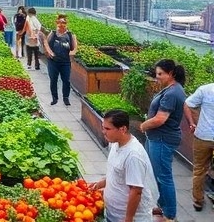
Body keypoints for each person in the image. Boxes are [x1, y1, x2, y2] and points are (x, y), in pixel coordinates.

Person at [139, 59, 186, 222]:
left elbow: (160, 119)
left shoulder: (172, 93)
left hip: (162, 138)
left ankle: (170, 213)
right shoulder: (173, 89)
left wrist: (144, 125)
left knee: (163, 176)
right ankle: (161, 205)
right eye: (156, 73)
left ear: (171, 73)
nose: (157, 77)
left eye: (160, 74)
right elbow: (185, 106)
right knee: (156, 174)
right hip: (157, 137)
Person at [91, 110, 159, 222]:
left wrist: (128, 218)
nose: (103, 131)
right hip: (113, 214)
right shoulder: (115, 143)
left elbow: (136, 190)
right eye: (103, 127)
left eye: (107, 129)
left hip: (128, 218)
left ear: (122, 129)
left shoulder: (133, 155)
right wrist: (103, 182)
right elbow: (118, 172)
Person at [183, 82, 214, 212]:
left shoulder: (205, 89)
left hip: (203, 136)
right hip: (204, 135)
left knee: (199, 170)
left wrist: (192, 122)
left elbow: (188, 104)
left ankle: (198, 201)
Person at [41, 14, 77, 106]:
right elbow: (46, 44)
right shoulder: (52, 33)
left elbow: (73, 48)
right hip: (53, 62)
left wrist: (72, 53)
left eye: (63, 22)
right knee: (53, 80)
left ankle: (66, 98)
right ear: (56, 23)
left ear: (66, 24)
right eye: (59, 22)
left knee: (66, 80)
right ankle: (54, 98)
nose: (61, 24)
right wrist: (48, 53)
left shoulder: (70, 35)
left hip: (65, 62)